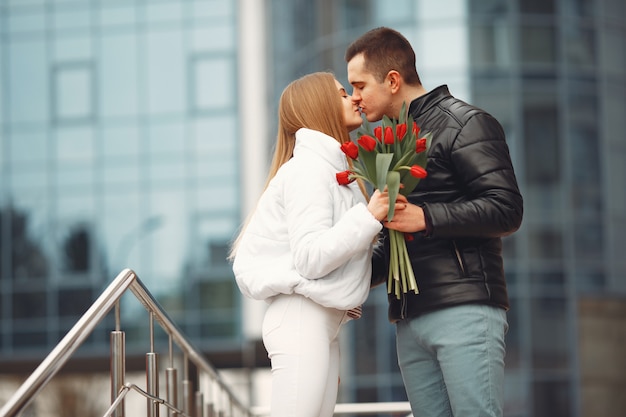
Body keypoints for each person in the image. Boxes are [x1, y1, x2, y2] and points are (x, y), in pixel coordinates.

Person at [345, 27, 524, 417]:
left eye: (359, 86)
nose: (354, 97)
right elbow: (394, 241)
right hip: (409, 318)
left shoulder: (465, 123)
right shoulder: (388, 143)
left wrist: (425, 217)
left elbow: (506, 207)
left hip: (464, 309)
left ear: (392, 81)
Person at [229, 72, 395, 417]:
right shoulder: (309, 170)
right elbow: (310, 258)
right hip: (301, 321)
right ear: (319, 106)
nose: (353, 98)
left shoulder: (332, 171)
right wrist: (369, 217)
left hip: (317, 324)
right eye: (340, 93)